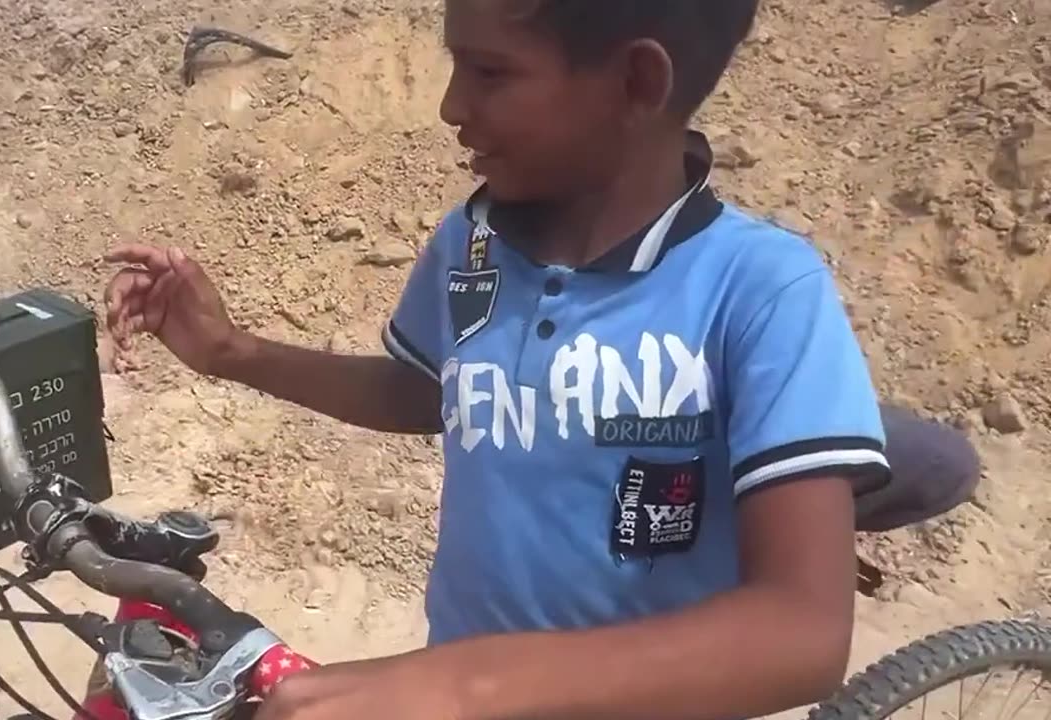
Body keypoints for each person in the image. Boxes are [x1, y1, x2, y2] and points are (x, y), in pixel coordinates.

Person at [103, 1, 894, 718]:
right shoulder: (471, 244)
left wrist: (464, 684)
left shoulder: (760, 289)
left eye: (490, 73)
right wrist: (233, 352)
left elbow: (803, 633)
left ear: (636, 80)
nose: (452, 106)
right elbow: (422, 392)